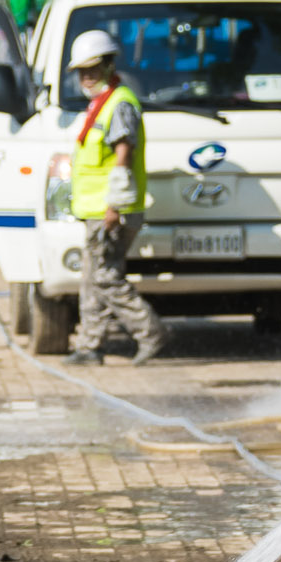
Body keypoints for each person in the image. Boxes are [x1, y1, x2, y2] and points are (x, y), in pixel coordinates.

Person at [64, 27, 166, 366]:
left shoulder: (119, 104)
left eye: (93, 68)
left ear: (109, 65)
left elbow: (123, 154)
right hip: (97, 210)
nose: (87, 76)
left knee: (105, 277)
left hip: (110, 210)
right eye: (82, 70)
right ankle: (90, 346)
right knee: (94, 276)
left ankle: (150, 332)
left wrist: (113, 205)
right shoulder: (101, 105)